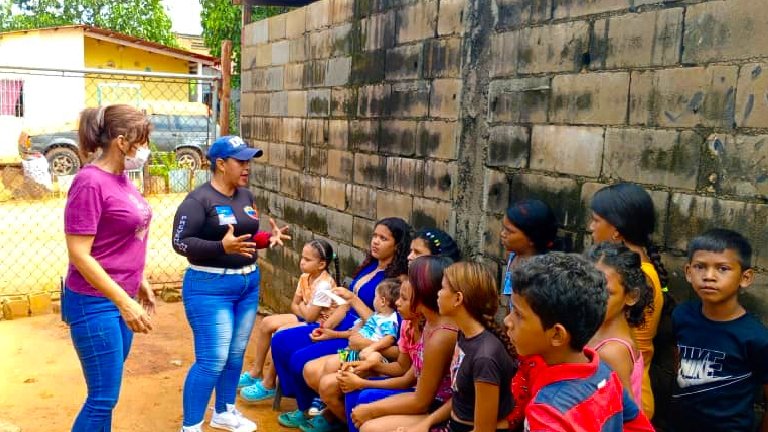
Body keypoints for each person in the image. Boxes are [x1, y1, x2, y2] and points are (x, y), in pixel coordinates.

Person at [171, 135, 290, 432]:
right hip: (209, 287)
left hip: (247, 284)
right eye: (241, 161)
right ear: (221, 164)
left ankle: (224, 411)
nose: (247, 167)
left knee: (235, 354)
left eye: (249, 161)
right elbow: (180, 242)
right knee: (212, 359)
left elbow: (244, 237)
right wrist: (220, 248)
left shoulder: (245, 196)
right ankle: (191, 426)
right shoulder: (198, 200)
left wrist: (266, 239)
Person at [62, 104, 154, 432]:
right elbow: (80, 254)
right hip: (95, 301)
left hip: (119, 297)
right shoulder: (90, 182)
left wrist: (138, 280)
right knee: (101, 398)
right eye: (141, 140)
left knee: (107, 395)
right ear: (121, 141)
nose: (145, 148)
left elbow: (119, 238)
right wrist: (124, 302)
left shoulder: (121, 179)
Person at [273, 218, 411, 429]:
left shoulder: (397, 282)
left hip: (359, 337)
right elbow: (345, 305)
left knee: (302, 360)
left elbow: (381, 324)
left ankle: (319, 410)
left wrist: (352, 306)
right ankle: (311, 404)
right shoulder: (370, 265)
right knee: (281, 340)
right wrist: (328, 328)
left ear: (398, 245)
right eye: (375, 236)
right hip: (343, 327)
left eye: (383, 238)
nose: (375, 241)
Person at [504, 253, 654, 431]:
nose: (507, 321)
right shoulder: (604, 373)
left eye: (519, 314)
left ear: (557, 335)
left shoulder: (548, 413)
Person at [671, 229, 768, 432]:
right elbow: (678, 363)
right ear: (688, 272)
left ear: (745, 277)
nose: (709, 276)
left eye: (723, 269)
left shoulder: (756, 337)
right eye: (700, 267)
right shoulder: (682, 315)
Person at [350, 256, 458, 432]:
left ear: (423, 291)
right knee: (361, 397)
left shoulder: (441, 336)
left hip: (440, 409)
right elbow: (410, 375)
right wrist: (367, 373)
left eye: (411, 283)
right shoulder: (427, 323)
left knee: (369, 422)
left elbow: (421, 402)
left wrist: (371, 408)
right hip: (423, 397)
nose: (398, 301)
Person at [589, 182, 668, 418]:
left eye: (595, 220)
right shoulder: (634, 270)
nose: (590, 227)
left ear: (616, 230)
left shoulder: (636, 277)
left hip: (628, 394)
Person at [409, 262, 517, 432]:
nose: (438, 293)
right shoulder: (464, 335)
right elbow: (460, 398)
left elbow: (484, 430)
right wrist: (426, 423)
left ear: (458, 299)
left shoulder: (485, 358)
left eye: (442, 288)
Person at [238, 239, 342, 403]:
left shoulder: (324, 285)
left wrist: (302, 307)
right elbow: (294, 305)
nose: (302, 262)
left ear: (321, 264)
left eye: (307, 259)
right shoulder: (305, 277)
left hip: (321, 324)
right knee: (266, 323)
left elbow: (310, 317)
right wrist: (304, 308)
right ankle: (256, 372)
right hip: (309, 316)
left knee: (282, 334)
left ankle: (269, 384)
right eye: (302, 257)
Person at [586, 242, 653, 404]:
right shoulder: (603, 332)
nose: (592, 297)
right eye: (587, 287)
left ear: (631, 296)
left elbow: (624, 413)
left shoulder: (612, 352)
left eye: (606, 292)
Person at [500, 199, 559, 297]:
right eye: (504, 228)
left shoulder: (541, 276)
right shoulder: (513, 256)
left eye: (509, 231)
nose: (502, 234)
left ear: (532, 238)